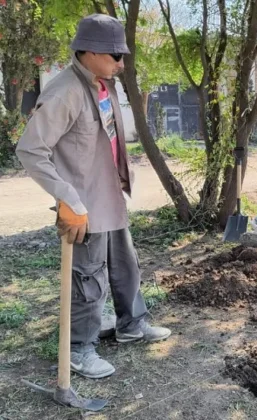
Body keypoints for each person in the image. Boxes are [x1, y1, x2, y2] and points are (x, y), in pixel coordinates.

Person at [16, 14, 171, 379]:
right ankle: (80, 350)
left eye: (122, 56)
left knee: (124, 265)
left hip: (110, 194)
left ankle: (132, 324)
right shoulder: (64, 91)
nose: (121, 63)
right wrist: (66, 197)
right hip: (82, 204)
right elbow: (30, 150)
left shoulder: (104, 84)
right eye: (115, 55)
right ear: (88, 51)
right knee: (88, 279)